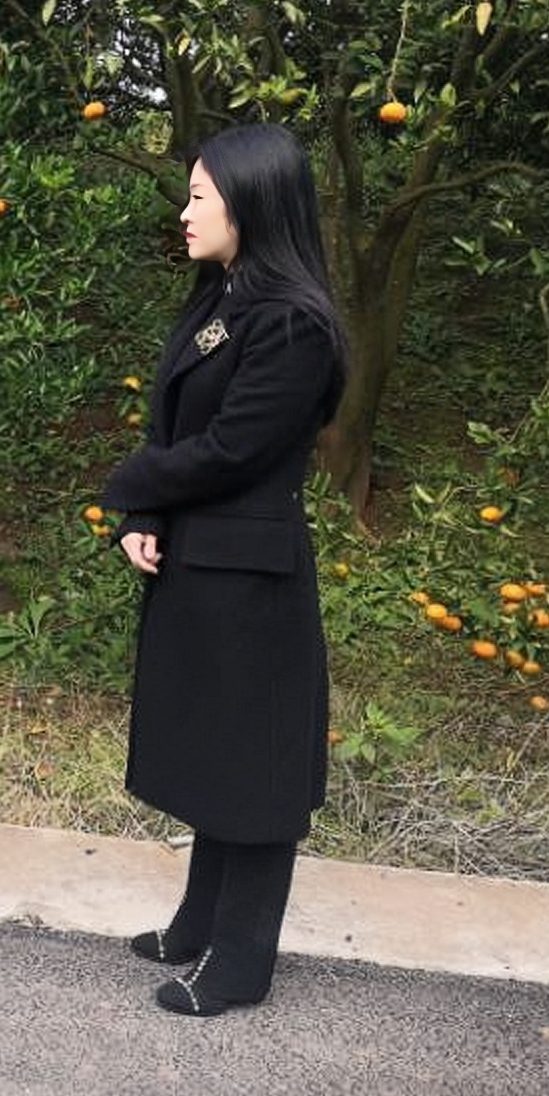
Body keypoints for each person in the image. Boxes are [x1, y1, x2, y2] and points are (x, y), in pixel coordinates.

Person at [102, 122, 348, 1017]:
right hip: (199, 565)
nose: (185, 211)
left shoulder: (294, 324)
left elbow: (234, 448)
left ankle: (242, 961)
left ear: (251, 203)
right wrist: (145, 516)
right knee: (213, 752)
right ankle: (198, 922)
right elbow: (178, 428)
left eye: (200, 196)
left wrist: (127, 483)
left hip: (251, 578)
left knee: (255, 770)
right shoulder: (223, 299)